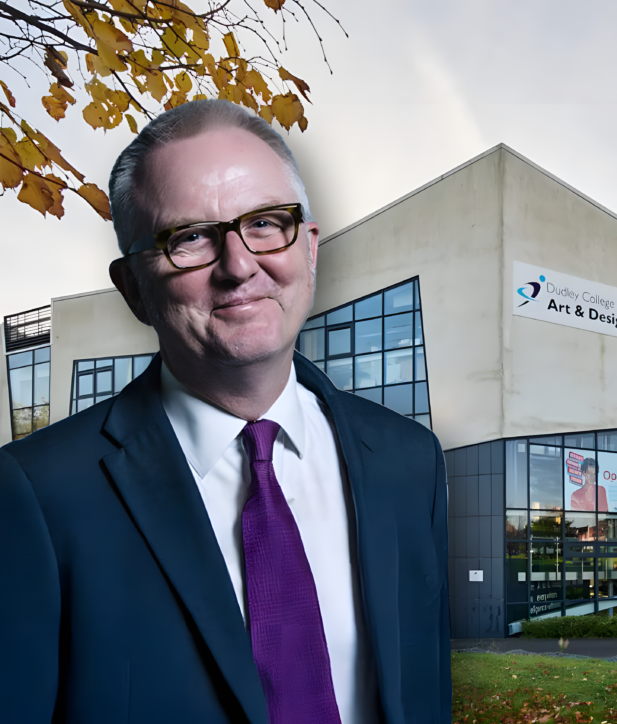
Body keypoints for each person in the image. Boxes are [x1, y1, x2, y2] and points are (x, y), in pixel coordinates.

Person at [0, 99, 450, 724]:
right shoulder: (37, 492)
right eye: (188, 238)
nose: (239, 267)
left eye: (265, 222)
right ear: (133, 288)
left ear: (310, 249)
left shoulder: (410, 460)